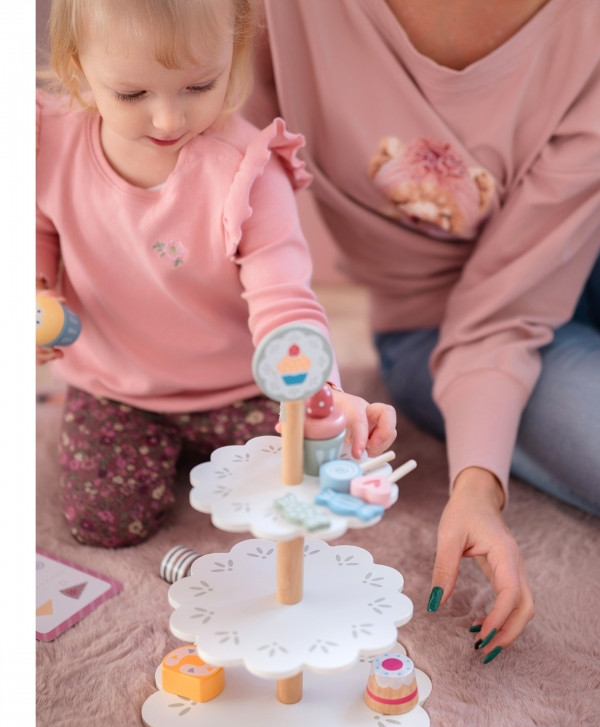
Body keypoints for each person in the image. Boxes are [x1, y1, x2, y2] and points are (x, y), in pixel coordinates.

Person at [244, 0, 600, 662]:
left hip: (590, 242)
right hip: (439, 331)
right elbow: (224, 193)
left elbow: (546, 262)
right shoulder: (282, 15)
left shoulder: (597, 32)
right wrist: (476, 487)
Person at [36, 0, 397, 548]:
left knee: (317, 485)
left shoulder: (247, 171)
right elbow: (35, 227)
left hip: (238, 388)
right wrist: (35, 290)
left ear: (234, 54)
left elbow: (285, 301)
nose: (169, 119)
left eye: (199, 86)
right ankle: (159, 448)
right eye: (133, 94)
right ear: (77, 67)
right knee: (104, 523)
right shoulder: (46, 144)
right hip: (115, 388)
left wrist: (322, 393)